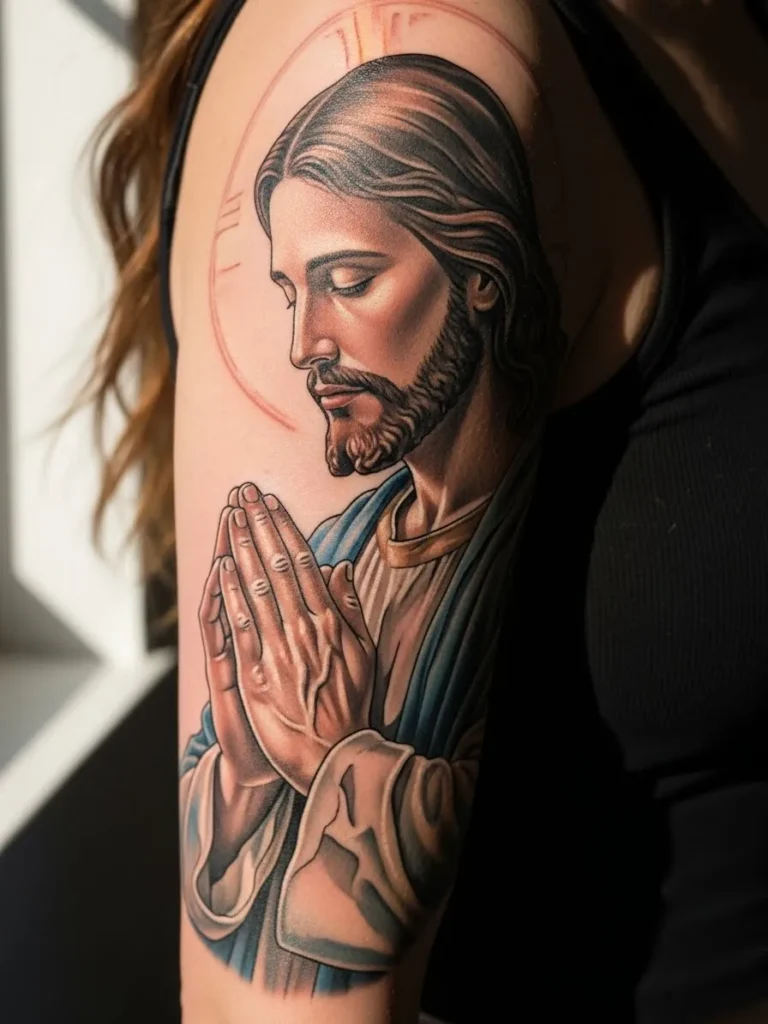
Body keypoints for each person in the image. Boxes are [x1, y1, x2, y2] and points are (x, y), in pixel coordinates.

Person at [83, 1, 768, 1022]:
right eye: (292, 291)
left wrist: (328, 761)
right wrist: (261, 775)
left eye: (350, 280)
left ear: (482, 271)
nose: (305, 343)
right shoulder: (417, 28)